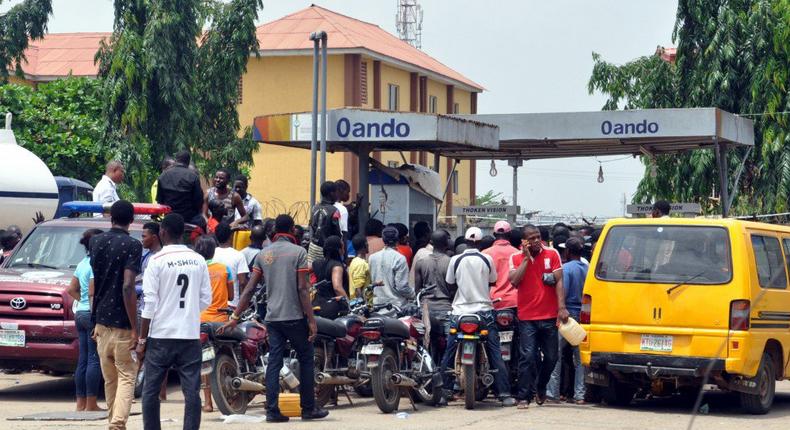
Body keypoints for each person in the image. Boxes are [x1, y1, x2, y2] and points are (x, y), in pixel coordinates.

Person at [221, 214, 329, 423]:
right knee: (306, 358)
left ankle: (272, 411)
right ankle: (308, 408)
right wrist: (312, 320)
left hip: (272, 318)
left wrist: (235, 316)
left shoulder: (264, 254)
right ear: (291, 230)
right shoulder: (299, 252)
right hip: (295, 317)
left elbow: (250, 288)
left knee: (274, 363)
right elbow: (303, 289)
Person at [137, 213, 212, 430]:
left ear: (163, 232)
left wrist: (142, 339)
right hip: (189, 335)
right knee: (191, 392)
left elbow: (149, 303)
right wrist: (187, 312)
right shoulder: (198, 260)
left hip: (161, 335)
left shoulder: (156, 261)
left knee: (150, 391)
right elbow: (205, 299)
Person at [439, 227, 516, 407]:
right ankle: (504, 394)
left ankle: (444, 392)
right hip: (483, 311)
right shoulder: (486, 259)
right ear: (480, 243)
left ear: (465, 241)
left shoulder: (455, 260)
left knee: (449, 351)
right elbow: (492, 282)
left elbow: (450, 284)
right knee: (495, 351)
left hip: (459, 312)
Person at [90, 200, 142, 430]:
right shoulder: (132, 245)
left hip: (101, 322)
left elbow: (93, 285)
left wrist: (93, 320)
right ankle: (118, 423)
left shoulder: (95, 241)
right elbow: (128, 286)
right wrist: (135, 328)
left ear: (110, 218)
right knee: (127, 375)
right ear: (131, 221)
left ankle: (114, 421)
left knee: (110, 379)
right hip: (122, 322)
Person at [508, 224, 569, 409]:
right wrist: (526, 260)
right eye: (531, 238)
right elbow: (514, 281)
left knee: (552, 357)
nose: (536, 241)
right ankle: (523, 396)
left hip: (549, 315)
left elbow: (558, 280)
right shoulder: (515, 257)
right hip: (527, 317)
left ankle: (541, 385)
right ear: (523, 241)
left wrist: (562, 307)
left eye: (537, 237)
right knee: (527, 357)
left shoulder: (552, 254)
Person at [194, 235, 234, 413]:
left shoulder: (194, 269)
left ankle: (208, 403)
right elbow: (231, 296)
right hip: (221, 321)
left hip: (199, 321)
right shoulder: (224, 269)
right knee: (227, 354)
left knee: (204, 361)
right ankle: (231, 397)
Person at [66, 228, 104, 412]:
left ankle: (80, 403)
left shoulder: (82, 263)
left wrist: (81, 302)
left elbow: (71, 289)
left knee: (83, 359)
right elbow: (92, 292)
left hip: (80, 313)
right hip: (91, 314)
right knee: (94, 359)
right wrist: (95, 315)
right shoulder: (96, 264)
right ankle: (91, 403)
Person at [547, 237, 587, 404]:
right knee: (581, 360)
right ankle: (580, 396)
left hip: (566, 317)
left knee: (556, 356)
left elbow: (562, 292)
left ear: (567, 252)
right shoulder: (588, 268)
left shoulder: (566, 269)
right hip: (583, 317)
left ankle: (552, 394)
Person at [412, 230, 454, 363]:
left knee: (426, 345)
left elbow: (418, 290)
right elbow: (453, 289)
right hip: (446, 308)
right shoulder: (451, 262)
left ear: (431, 242)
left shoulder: (421, 262)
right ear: (446, 243)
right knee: (450, 345)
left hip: (426, 309)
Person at [156, 150, 206, 232]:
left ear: (176, 160)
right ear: (188, 161)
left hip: (169, 217)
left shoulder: (163, 176)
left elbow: (160, 200)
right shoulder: (193, 176)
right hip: (189, 218)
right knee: (203, 224)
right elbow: (198, 201)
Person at [369, 226, 414, 311]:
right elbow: (402, 287)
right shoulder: (399, 258)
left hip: (377, 306)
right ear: (397, 240)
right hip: (395, 308)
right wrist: (413, 294)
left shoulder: (372, 258)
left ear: (383, 240)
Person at [483, 221, 519, 310]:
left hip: (493, 301)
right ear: (510, 234)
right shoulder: (518, 254)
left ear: (494, 234)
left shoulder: (485, 254)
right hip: (514, 301)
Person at [311, 236, 349, 319]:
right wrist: (348, 304)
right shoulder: (337, 266)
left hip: (316, 306)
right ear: (338, 249)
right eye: (342, 246)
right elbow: (337, 288)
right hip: (333, 309)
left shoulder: (316, 263)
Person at [212, 223, 249, 307]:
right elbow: (242, 282)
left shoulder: (211, 254)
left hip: (214, 304)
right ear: (231, 236)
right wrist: (244, 305)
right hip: (232, 305)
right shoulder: (238, 255)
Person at [307, 181, 342, 265]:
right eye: (336, 192)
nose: (338, 195)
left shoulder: (314, 208)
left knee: (313, 271)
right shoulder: (334, 210)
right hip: (328, 249)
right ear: (331, 193)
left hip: (313, 246)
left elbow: (312, 225)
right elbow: (336, 231)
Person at [348, 234, 371, 301]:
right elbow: (358, 288)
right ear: (365, 244)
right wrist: (362, 305)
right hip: (363, 305)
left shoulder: (354, 261)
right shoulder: (361, 264)